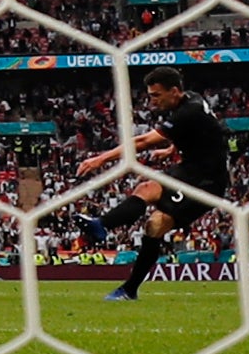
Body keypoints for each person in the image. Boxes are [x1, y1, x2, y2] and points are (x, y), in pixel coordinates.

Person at [76, 67, 230, 302]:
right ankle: (103, 231)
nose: (151, 101)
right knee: (149, 202)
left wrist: (100, 159)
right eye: (150, 95)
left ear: (175, 91)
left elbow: (143, 141)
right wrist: (171, 149)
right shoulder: (191, 100)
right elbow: (207, 134)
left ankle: (108, 239)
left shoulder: (187, 112)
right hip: (190, 170)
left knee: (156, 222)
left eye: (156, 95)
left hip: (207, 183)